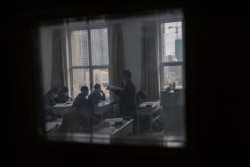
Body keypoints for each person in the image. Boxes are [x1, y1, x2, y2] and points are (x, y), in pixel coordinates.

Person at [109, 70, 137, 134]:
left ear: (127, 76)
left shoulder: (129, 85)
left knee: (128, 126)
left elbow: (124, 95)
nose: (121, 77)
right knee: (130, 126)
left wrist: (115, 91)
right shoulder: (128, 84)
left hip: (128, 108)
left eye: (123, 75)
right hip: (128, 107)